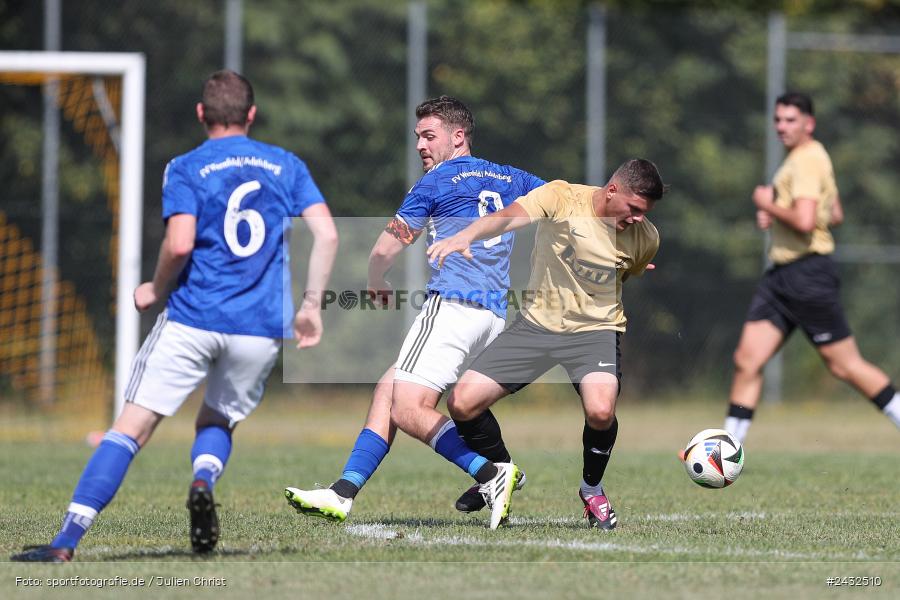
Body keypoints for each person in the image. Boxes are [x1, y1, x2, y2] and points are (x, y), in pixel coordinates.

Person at [11, 70, 338, 562]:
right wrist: (310, 306)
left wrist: (154, 288)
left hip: (194, 317)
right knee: (218, 418)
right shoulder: (286, 164)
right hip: (260, 325)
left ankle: (65, 542)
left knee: (130, 429)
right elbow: (328, 234)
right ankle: (203, 478)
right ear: (251, 114)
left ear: (201, 114)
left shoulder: (186, 166)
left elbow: (180, 243)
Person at [284, 96, 545, 529]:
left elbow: (385, 248)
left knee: (408, 408)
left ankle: (491, 473)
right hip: (492, 316)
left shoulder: (435, 182)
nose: (421, 145)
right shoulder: (510, 176)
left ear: (458, 136)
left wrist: (376, 279)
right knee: (389, 389)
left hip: (453, 306)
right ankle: (342, 492)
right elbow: (565, 200)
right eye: (418, 137)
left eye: (429, 136)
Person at [428, 158, 665, 530]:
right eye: (634, 208)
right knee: (462, 402)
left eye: (644, 212)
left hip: (596, 331)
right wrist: (466, 235)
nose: (638, 218)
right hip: (536, 326)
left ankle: (592, 489)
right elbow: (509, 216)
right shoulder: (562, 197)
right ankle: (499, 473)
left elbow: (627, 274)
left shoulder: (646, 238)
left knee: (601, 410)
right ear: (612, 190)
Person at [723, 92, 900, 444]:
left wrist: (768, 206)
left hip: (806, 275)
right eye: (778, 119)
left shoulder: (805, 160)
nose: (782, 127)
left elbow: (805, 222)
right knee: (747, 360)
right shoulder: (811, 157)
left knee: (845, 365)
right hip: (781, 276)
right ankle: (726, 449)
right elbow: (834, 213)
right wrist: (778, 213)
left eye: (791, 120)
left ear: (809, 123)